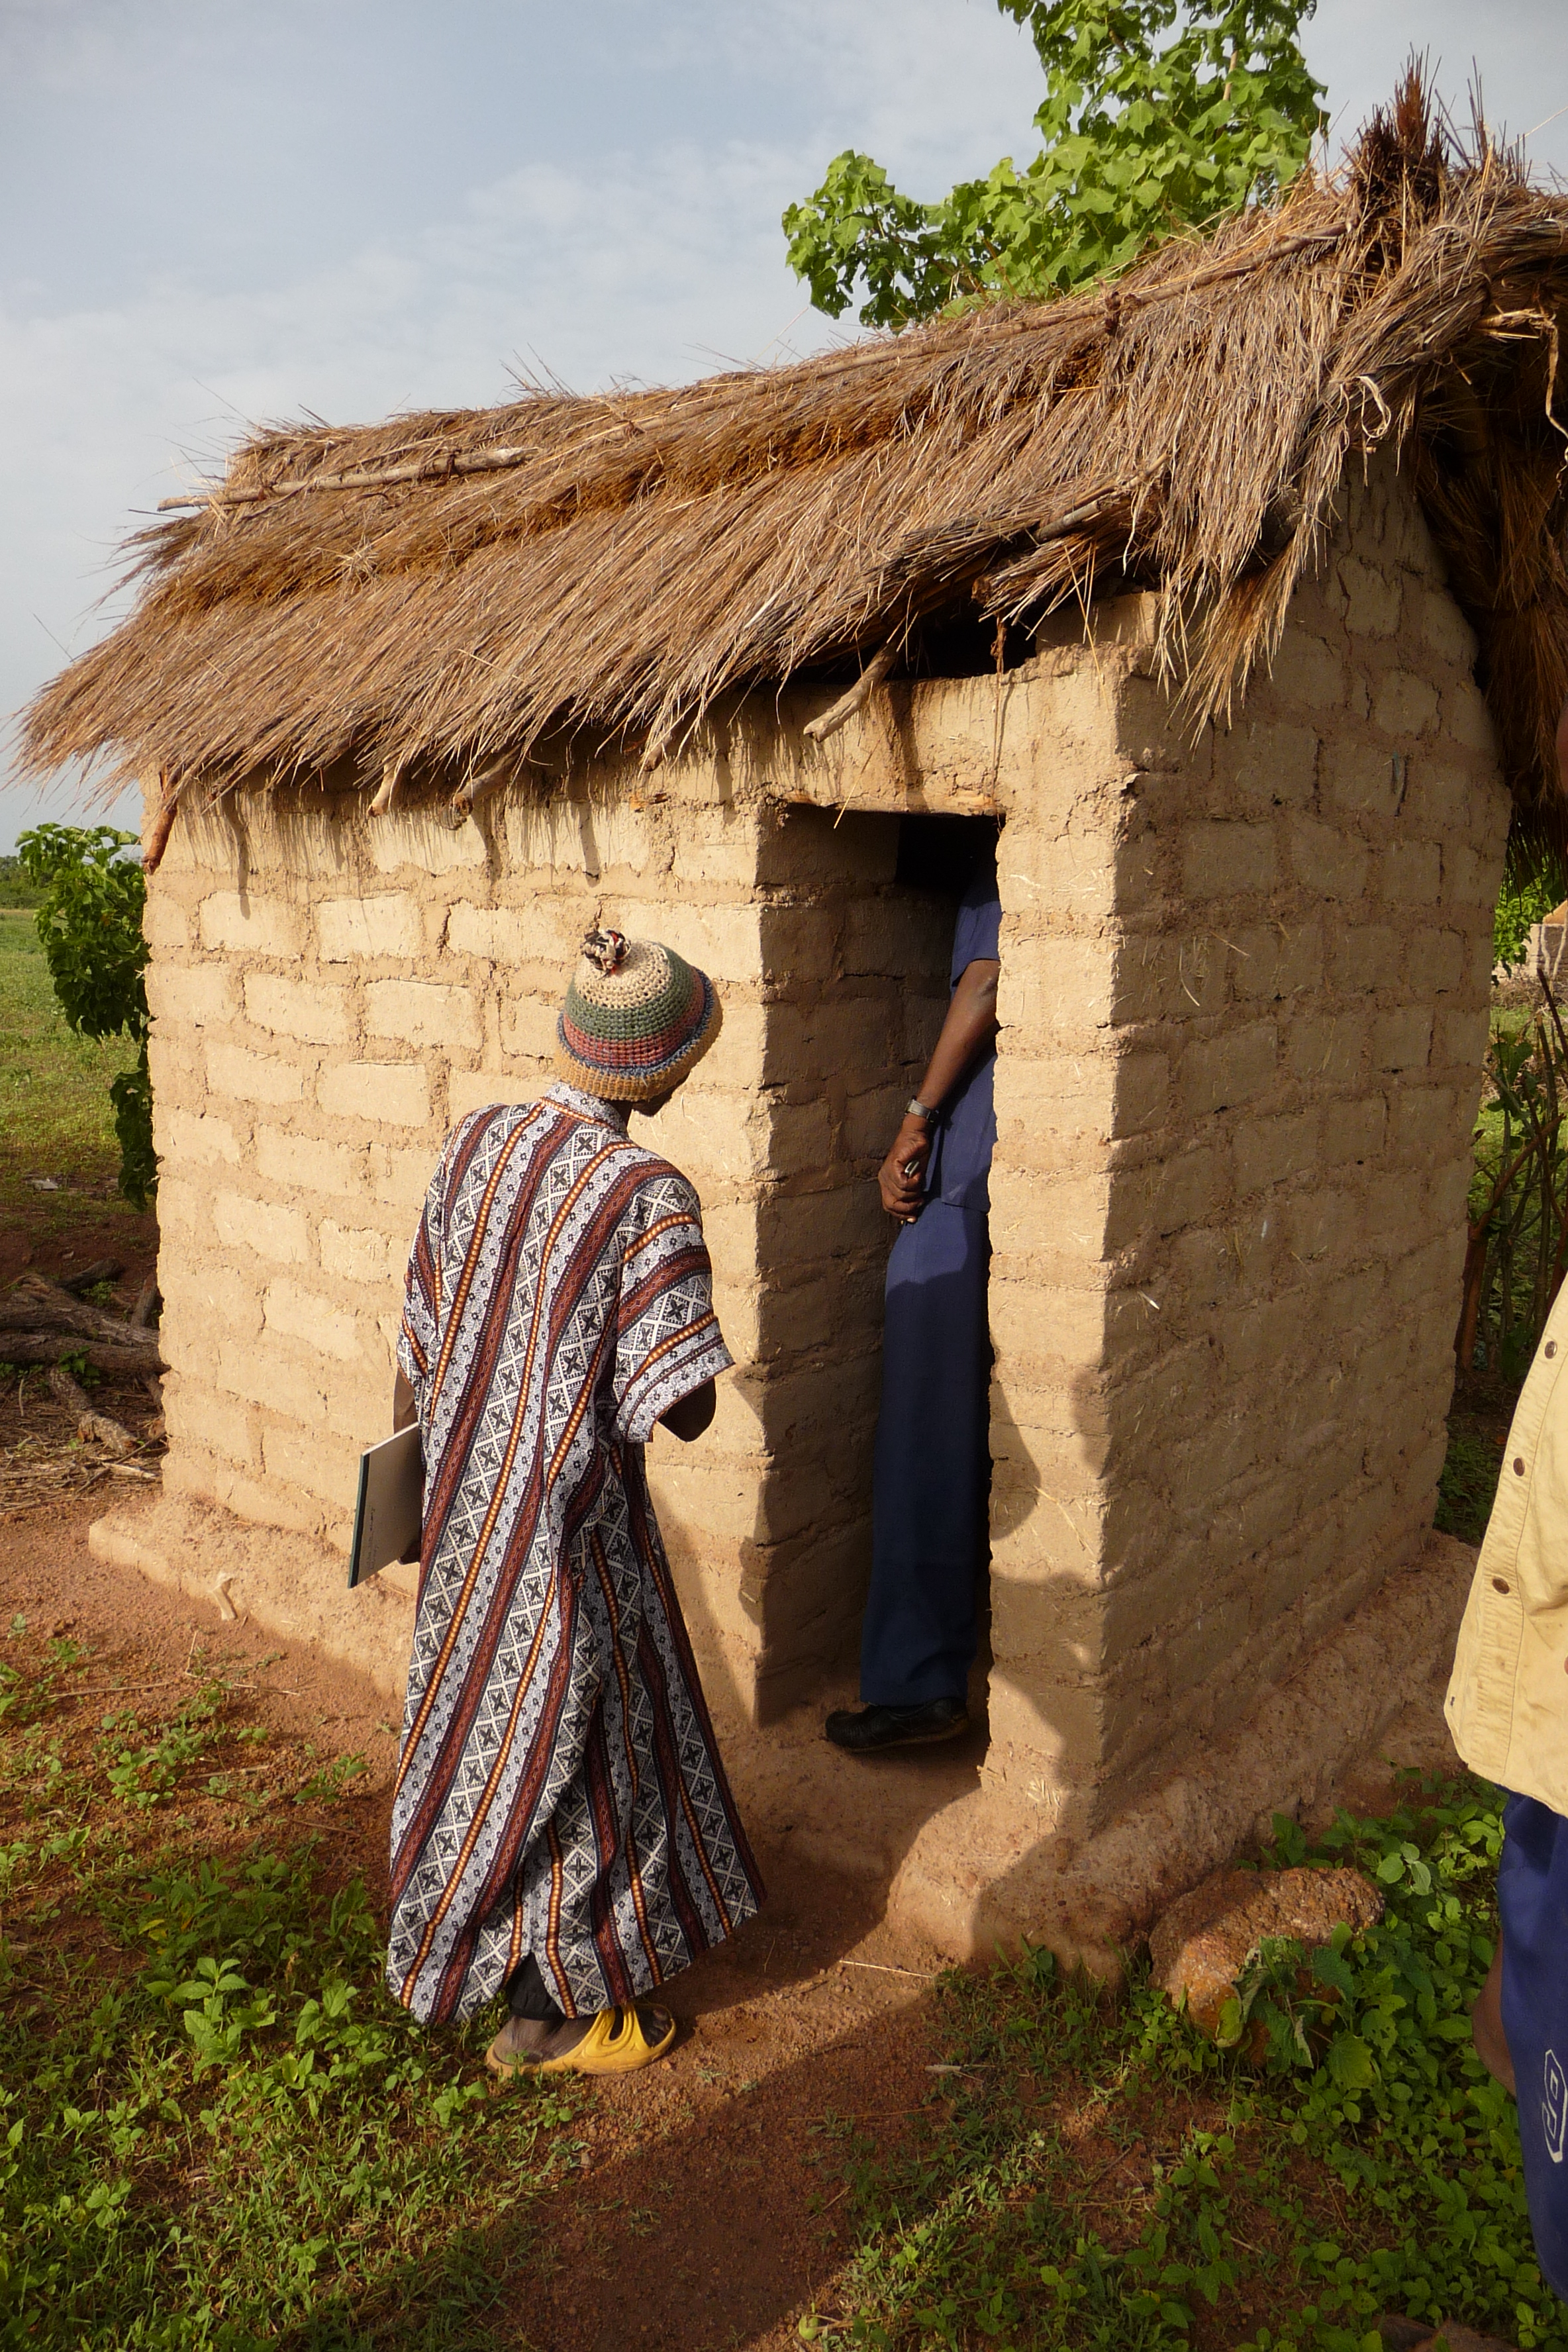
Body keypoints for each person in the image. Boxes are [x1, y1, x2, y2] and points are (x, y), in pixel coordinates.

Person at [385, 927, 763, 2078]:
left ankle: (490, 1942)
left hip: (464, 1510)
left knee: (488, 1721)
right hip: (567, 1530)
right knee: (585, 1738)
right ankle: (547, 2014)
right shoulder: (646, 1192)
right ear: (668, 1069)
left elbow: (416, 1330)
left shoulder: (478, 1143)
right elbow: (679, 1409)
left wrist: (406, 1486)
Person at [826, 842, 1002, 1753]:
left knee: (923, 1428)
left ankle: (917, 1681)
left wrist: (918, 1119)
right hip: (994, 1172)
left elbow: (982, 981)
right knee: (962, 1426)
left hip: (968, 1170)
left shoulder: (1002, 872)